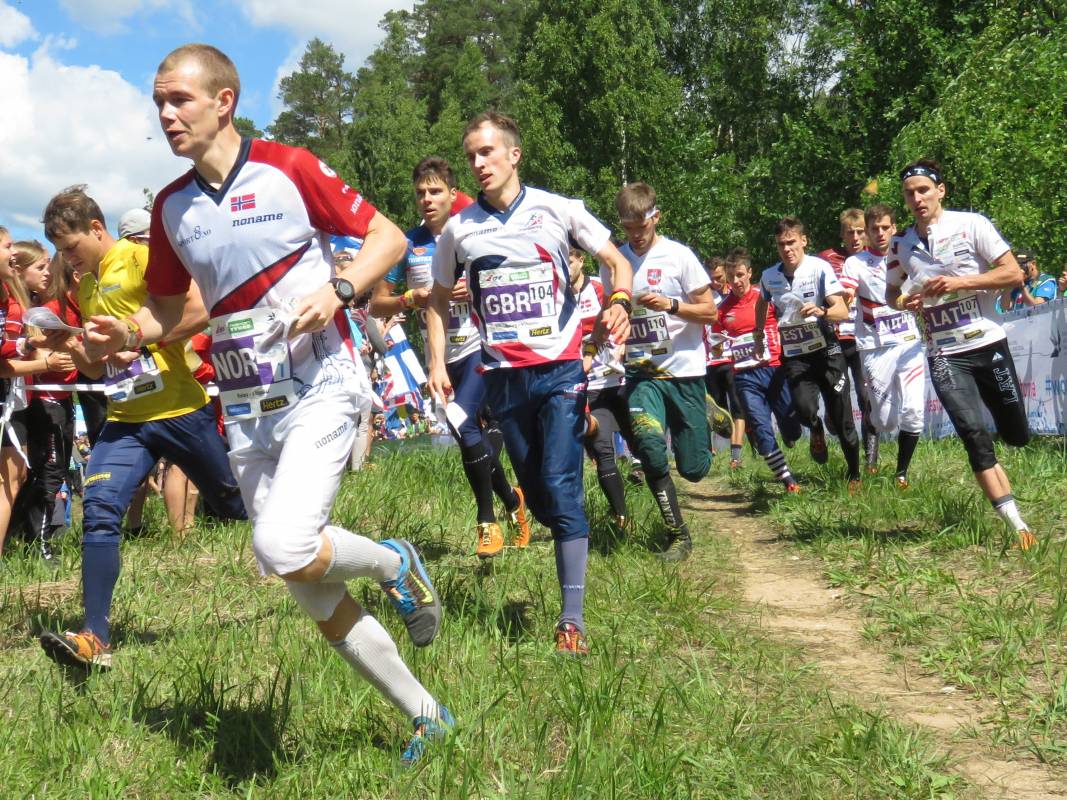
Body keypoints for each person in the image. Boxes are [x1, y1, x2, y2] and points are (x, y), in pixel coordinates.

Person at [83, 44, 451, 764]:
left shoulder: (289, 167)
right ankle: (427, 715)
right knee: (307, 588)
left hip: (324, 381)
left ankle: (389, 563)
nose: (164, 114)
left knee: (279, 546)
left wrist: (338, 290)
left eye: (178, 99)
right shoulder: (170, 207)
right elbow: (171, 312)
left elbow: (387, 237)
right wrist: (125, 333)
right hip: (249, 408)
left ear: (223, 101)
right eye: (158, 101)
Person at [426, 111, 632, 656]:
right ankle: (570, 457)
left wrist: (619, 301)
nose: (477, 164)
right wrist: (437, 363)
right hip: (503, 381)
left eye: (487, 153)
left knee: (563, 492)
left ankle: (571, 621)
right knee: (540, 500)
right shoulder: (459, 229)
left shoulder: (558, 210)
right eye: (471, 155)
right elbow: (436, 299)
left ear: (513, 155)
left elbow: (615, 260)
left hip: (561, 372)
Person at [37, 184, 248, 668]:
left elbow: (198, 310)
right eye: (60, 252)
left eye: (72, 247)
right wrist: (69, 344)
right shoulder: (84, 286)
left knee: (235, 504)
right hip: (127, 420)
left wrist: (142, 341)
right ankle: (95, 637)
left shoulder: (139, 257)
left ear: (96, 228)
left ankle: (323, 554)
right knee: (101, 510)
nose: (68, 259)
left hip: (180, 412)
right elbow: (94, 367)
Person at [371, 157, 528, 557]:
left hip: (479, 346)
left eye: (435, 191)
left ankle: (486, 522)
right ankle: (513, 500)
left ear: (452, 194)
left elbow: (510, 281)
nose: (427, 199)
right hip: (439, 357)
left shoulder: (469, 234)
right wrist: (413, 297)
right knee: (465, 438)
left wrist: (474, 291)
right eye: (421, 192)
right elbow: (377, 306)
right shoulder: (408, 245)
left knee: (465, 423)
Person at [886, 159, 1035, 550]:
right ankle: (1017, 524)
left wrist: (959, 282)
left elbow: (1012, 274)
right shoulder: (900, 244)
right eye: (909, 193)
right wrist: (907, 299)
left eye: (923, 190)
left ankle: (1011, 463)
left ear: (940, 191)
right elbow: (892, 295)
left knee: (1017, 434)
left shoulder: (972, 224)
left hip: (987, 344)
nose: (917, 198)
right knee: (972, 434)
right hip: (944, 353)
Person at [609, 182, 718, 561]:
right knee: (651, 452)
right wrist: (598, 344)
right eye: (628, 228)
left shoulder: (679, 256)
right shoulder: (616, 262)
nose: (636, 236)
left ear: (656, 217)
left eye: (642, 226)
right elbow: (612, 314)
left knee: (693, 470)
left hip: (685, 371)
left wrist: (672, 305)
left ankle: (704, 407)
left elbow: (710, 311)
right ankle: (678, 535)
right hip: (642, 373)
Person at [755, 216, 862, 490]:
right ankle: (815, 428)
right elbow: (761, 302)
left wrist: (822, 311)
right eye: (781, 244)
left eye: (792, 242)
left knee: (842, 418)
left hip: (827, 351)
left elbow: (842, 310)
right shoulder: (769, 276)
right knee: (803, 409)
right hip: (795, 355)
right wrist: (758, 335)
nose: (787, 249)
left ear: (803, 241)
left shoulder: (819, 268)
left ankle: (854, 475)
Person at [0, 231, 76, 559]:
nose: (12, 255)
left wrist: (32, 345)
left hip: (21, 399)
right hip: (28, 398)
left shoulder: (19, 303)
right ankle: (38, 544)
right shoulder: (18, 303)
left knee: (18, 472)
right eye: (7, 248)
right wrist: (43, 357)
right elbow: (5, 360)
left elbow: (10, 348)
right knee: (30, 472)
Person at [841, 205, 925, 489]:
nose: (879, 233)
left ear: (893, 228)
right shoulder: (856, 263)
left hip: (908, 343)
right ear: (866, 232)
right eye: (873, 229)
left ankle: (901, 473)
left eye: (885, 228)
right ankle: (875, 420)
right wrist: (844, 300)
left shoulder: (909, 256)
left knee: (914, 411)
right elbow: (847, 291)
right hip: (874, 347)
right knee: (886, 421)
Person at [717, 248, 802, 491]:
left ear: (750, 273)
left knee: (792, 428)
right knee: (762, 429)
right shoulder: (722, 310)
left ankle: (790, 434)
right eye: (731, 277)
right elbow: (714, 341)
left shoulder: (765, 299)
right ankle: (787, 479)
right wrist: (716, 349)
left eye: (740, 275)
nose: (735, 282)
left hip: (774, 370)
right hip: (745, 377)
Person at [570, 244, 629, 528]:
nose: (566, 268)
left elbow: (624, 316)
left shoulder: (597, 287)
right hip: (588, 384)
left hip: (618, 377)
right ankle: (622, 517)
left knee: (644, 445)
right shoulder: (556, 294)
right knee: (602, 447)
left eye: (570, 261)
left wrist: (622, 347)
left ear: (581, 260)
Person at [818, 209, 878, 472]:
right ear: (841, 234)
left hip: (865, 338)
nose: (855, 237)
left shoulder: (873, 258)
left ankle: (871, 459)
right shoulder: (825, 260)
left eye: (860, 232)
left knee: (868, 397)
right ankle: (831, 418)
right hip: (834, 340)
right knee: (838, 400)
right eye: (849, 232)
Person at [704, 256, 747, 467]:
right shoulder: (704, 296)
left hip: (734, 358)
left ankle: (735, 456)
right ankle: (710, 452)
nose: (716, 282)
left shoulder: (736, 292)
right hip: (711, 361)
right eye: (712, 278)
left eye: (719, 277)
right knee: (717, 410)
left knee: (738, 405)